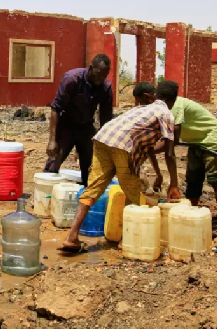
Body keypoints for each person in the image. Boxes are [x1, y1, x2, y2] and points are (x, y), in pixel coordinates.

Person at [60, 91, 180, 252]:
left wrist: (158, 173)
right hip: (123, 144)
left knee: (93, 188)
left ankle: (71, 236)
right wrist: (174, 182)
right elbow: (170, 153)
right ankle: (126, 239)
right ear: (173, 100)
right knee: (133, 194)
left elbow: (149, 148)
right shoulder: (167, 114)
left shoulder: (142, 109)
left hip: (103, 137)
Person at [154, 81, 217, 239]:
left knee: (216, 180)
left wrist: (148, 150)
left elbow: (172, 141)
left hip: (213, 140)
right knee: (193, 181)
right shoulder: (164, 106)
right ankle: (191, 217)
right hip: (196, 143)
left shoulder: (175, 106)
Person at [45, 54, 114, 185]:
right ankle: (45, 193)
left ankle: (85, 198)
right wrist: (52, 140)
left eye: (104, 75)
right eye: (98, 74)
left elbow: (106, 117)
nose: (100, 79)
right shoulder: (72, 79)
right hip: (66, 125)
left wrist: (104, 143)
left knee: (89, 166)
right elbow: (56, 108)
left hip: (86, 127)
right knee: (54, 162)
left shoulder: (106, 87)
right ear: (91, 68)